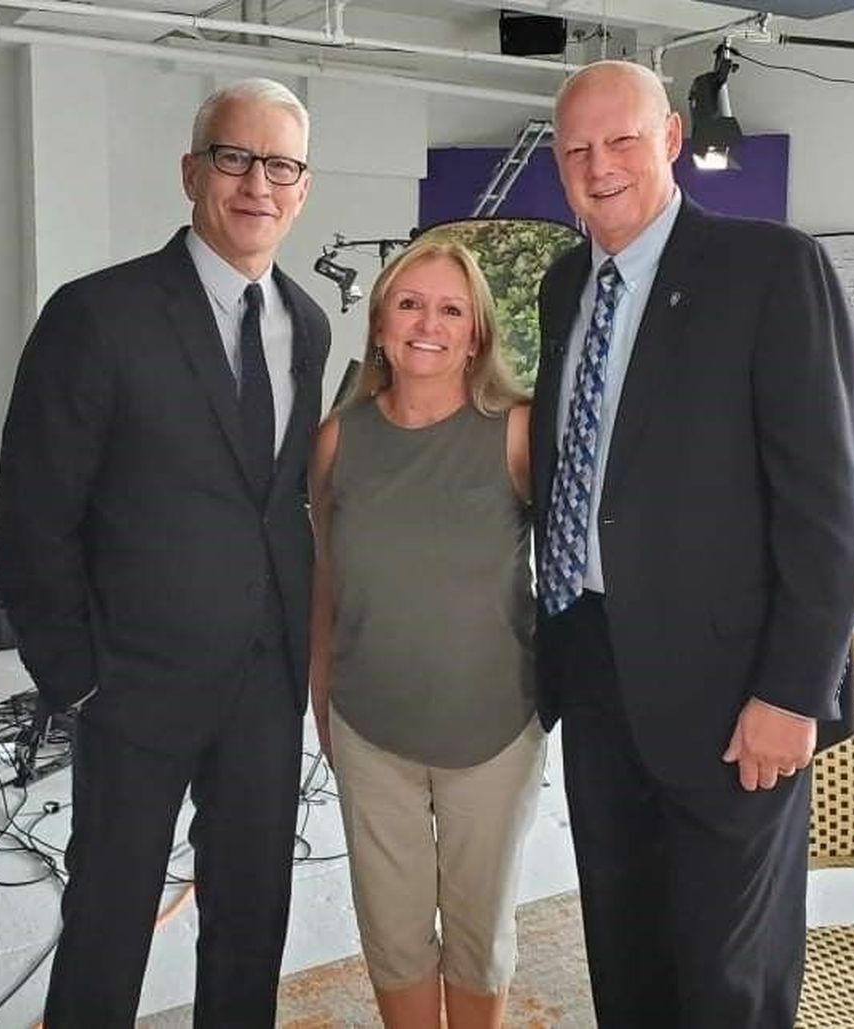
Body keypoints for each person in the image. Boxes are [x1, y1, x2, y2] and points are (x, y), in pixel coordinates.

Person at [531, 60, 854, 1027]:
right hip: (593, 663)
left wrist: (793, 690)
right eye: (576, 149)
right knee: (625, 945)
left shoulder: (770, 270)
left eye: (622, 140)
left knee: (730, 970)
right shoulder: (565, 286)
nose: (599, 166)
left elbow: (831, 507)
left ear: (674, 139)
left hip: (736, 692)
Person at [0, 78, 330, 1026]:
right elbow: (35, 512)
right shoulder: (97, 314)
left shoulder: (305, 323)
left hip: (264, 679)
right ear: (193, 172)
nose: (257, 184)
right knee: (108, 909)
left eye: (280, 165)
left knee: (254, 906)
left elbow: (278, 502)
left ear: (302, 188)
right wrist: (74, 675)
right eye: (234, 157)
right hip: (132, 682)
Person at [308, 237, 545, 1029]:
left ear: (476, 333)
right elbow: (326, 580)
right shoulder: (339, 439)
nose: (428, 325)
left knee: (478, 934)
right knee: (394, 933)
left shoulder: (518, 433)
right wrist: (321, 695)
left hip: (494, 727)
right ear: (379, 324)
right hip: (372, 725)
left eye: (451, 309)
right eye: (410, 304)